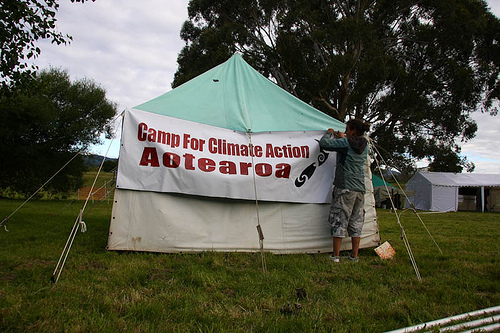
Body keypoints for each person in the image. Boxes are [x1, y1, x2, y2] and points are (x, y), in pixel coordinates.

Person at [319, 119, 370, 263]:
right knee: (356, 221)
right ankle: (354, 255)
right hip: (359, 187)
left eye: (347, 129)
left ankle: (336, 255)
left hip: (345, 187)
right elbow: (351, 145)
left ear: (353, 131)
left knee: (339, 219)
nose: (345, 131)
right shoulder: (364, 144)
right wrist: (344, 137)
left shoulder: (346, 143)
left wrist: (329, 133)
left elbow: (325, 144)